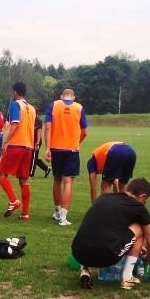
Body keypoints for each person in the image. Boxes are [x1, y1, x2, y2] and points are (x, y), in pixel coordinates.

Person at [72, 178, 150, 290]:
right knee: (140, 227)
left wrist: (134, 243)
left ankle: (85, 270)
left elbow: (112, 228)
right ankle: (127, 277)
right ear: (143, 196)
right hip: (106, 256)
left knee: (95, 230)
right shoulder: (138, 207)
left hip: (78, 253)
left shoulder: (103, 197)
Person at [44, 89, 88, 226]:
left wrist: (47, 148)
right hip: (72, 149)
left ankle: (57, 211)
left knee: (57, 180)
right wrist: (77, 142)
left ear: (61, 96)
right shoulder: (79, 108)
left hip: (55, 148)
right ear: (73, 97)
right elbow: (84, 132)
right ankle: (63, 216)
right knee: (68, 182)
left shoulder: (53, 105)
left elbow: (47, 128)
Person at [0, 81, 37, 220]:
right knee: (24, 181)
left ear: (15, 92)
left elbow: (15, 124)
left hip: (16, 145)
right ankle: (25, 214)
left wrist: (6, 142)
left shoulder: (15, 105)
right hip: (28, 147)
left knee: (1, 174)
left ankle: (13, 200)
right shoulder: (32, 108)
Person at [30, 114, 52, 178]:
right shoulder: (30, 119)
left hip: (36, 142)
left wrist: (37, 143)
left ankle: (31, 174)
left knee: (33, 158)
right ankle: (46, 168)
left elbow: (39, 133)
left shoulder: (38, 121)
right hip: (30, 141)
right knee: (33, 158)